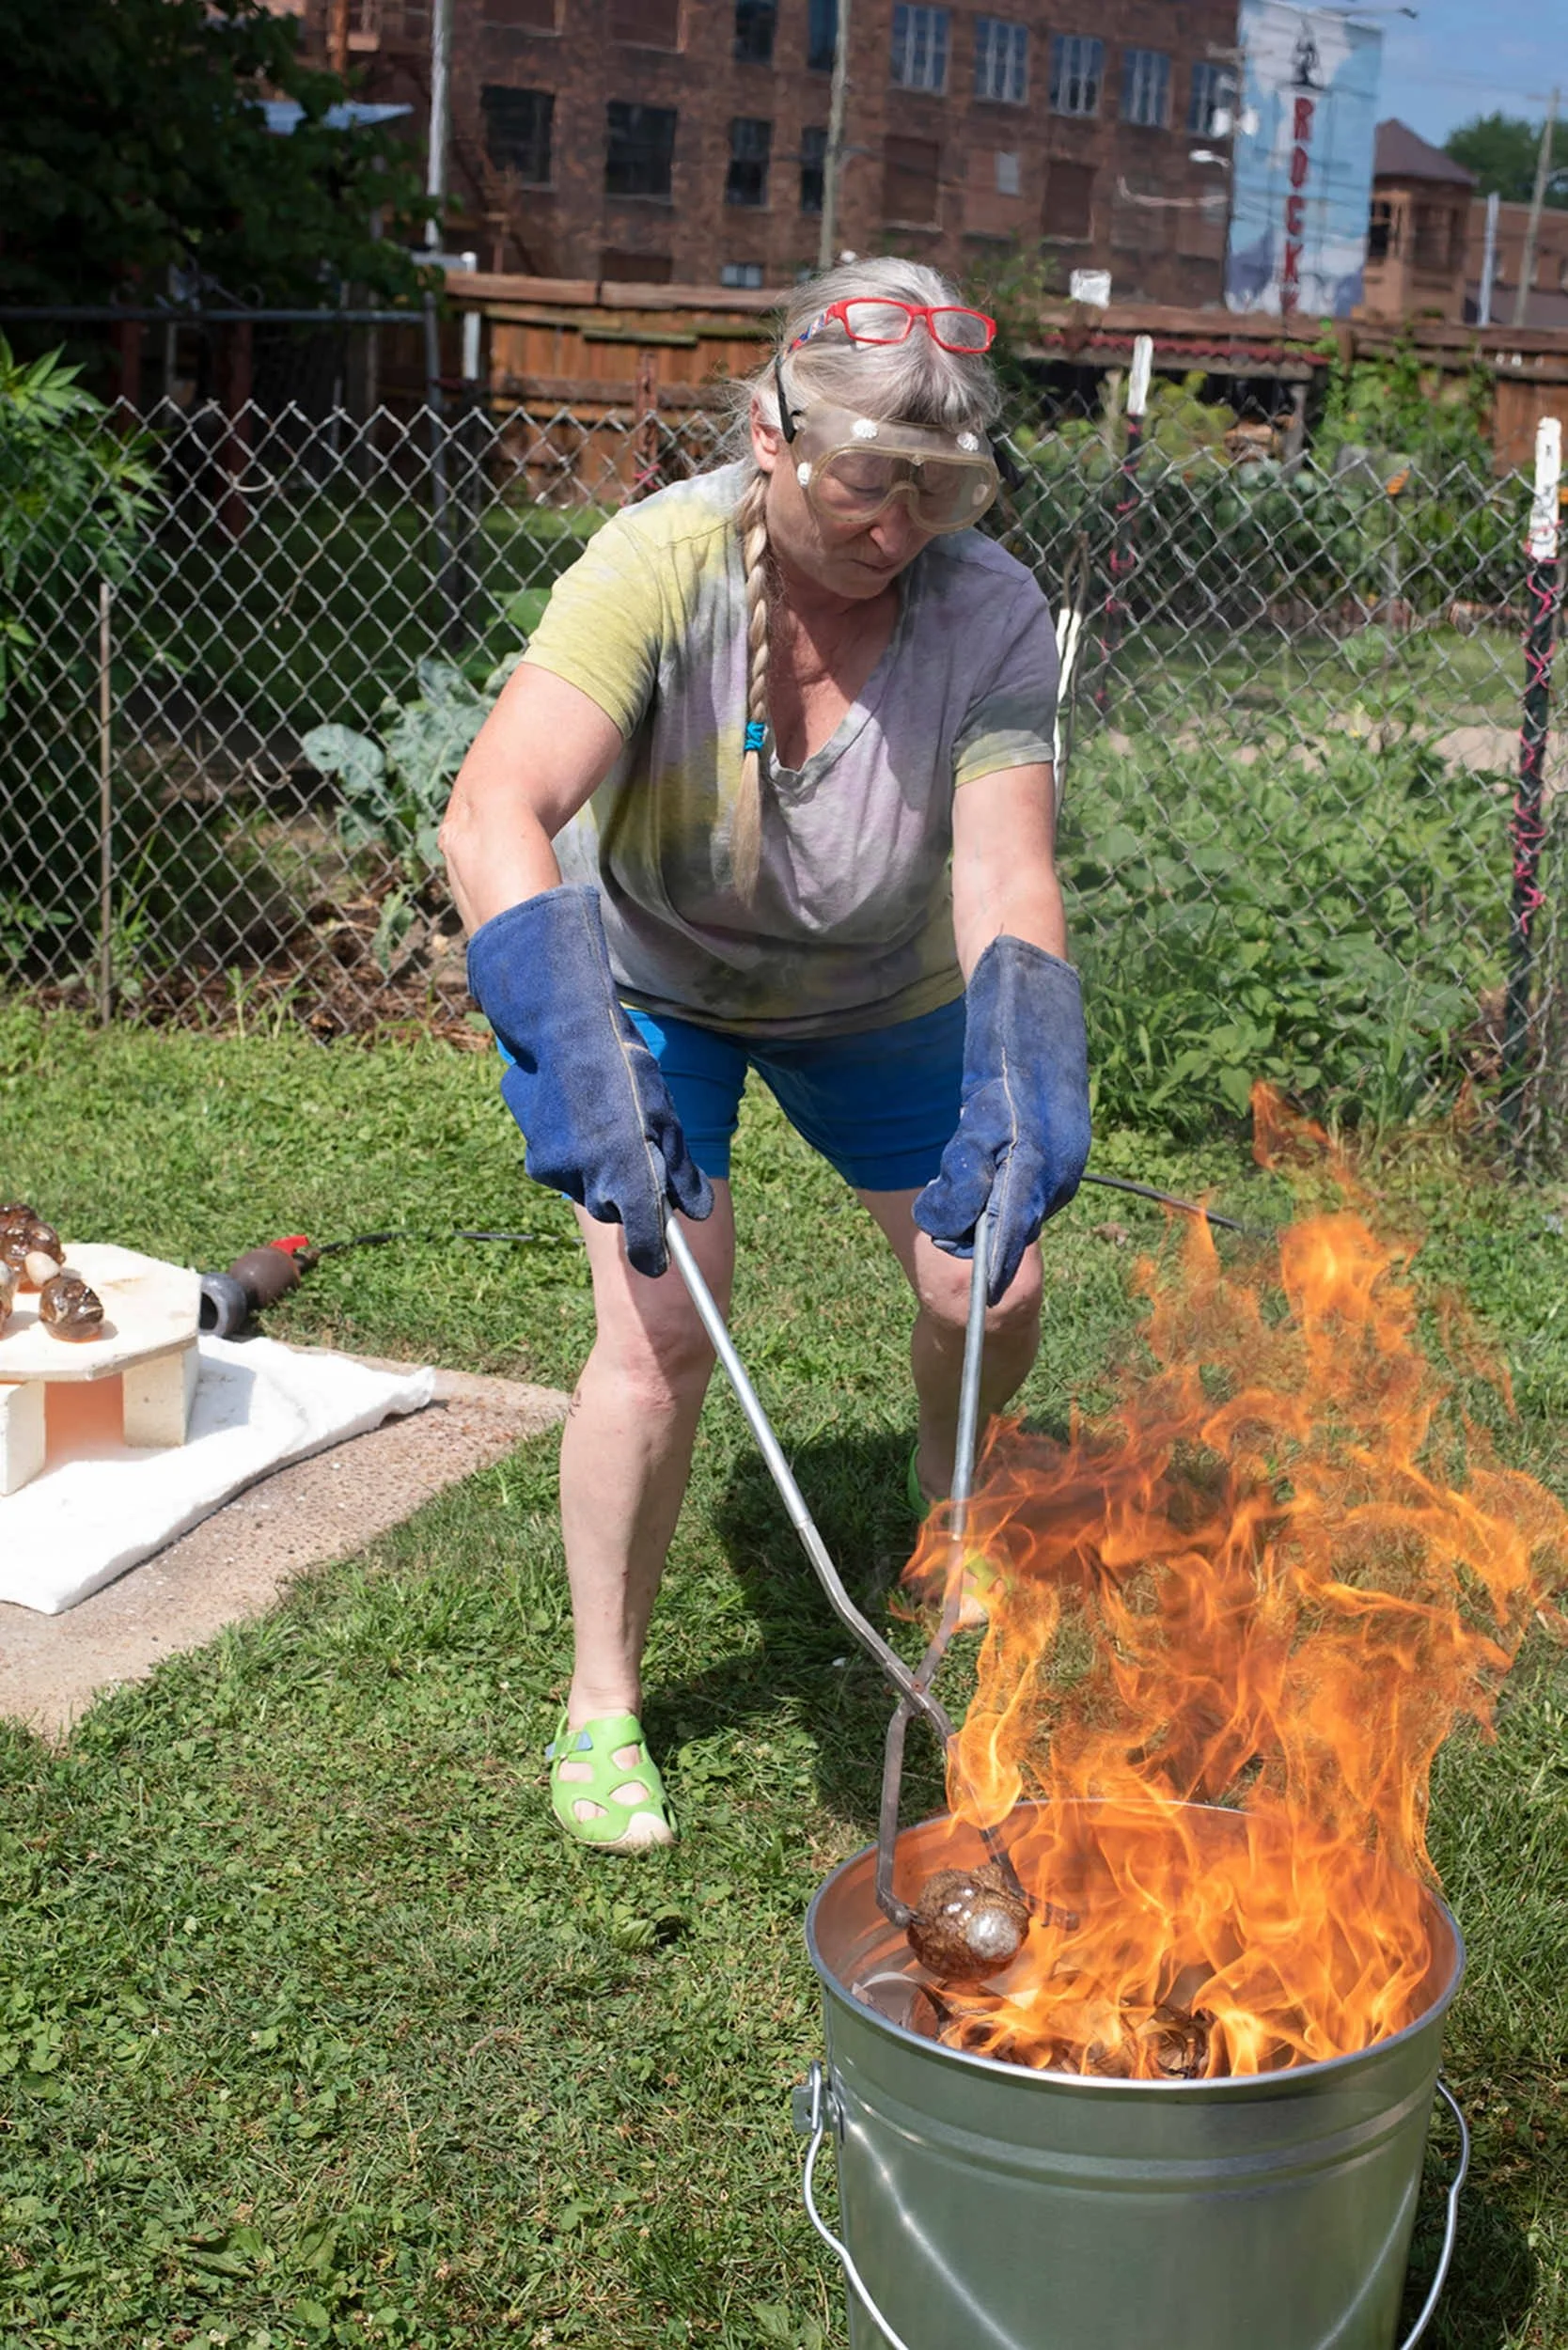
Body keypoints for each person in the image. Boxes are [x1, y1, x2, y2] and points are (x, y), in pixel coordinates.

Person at [440, 258, 1090, 1854]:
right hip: (657, 987)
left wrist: (1024, 1054)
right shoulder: (660, 563)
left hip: (881, 998)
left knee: (993, 1286)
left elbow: (1006, 871)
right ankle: (602, 1700)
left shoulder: (988, 607)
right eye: (869, 482)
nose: (898, 528)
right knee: (661, 1323)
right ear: (771, 434)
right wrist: (574, 1041)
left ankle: (952, 1505)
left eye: (938, 491)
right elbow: (495, 810)